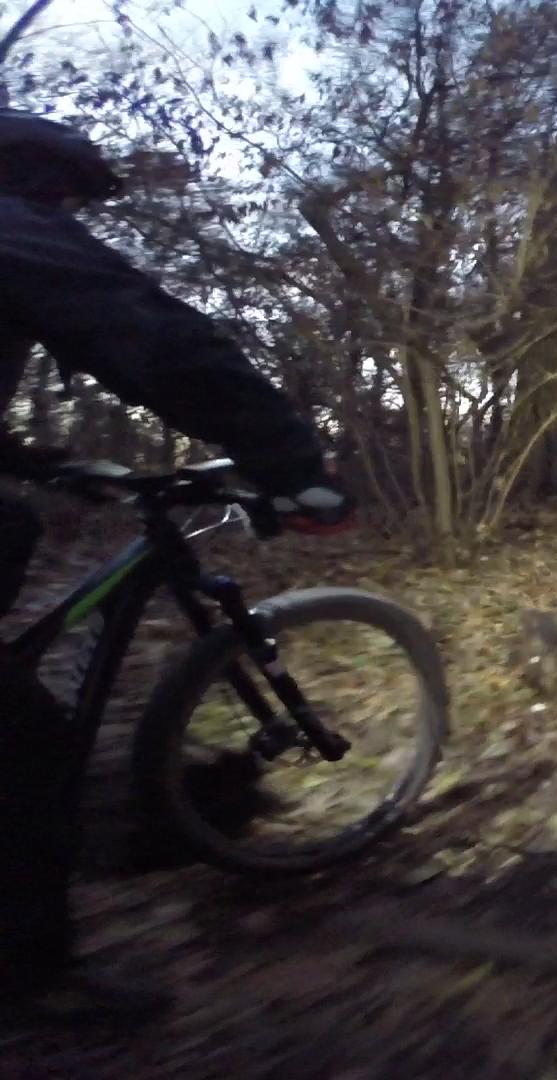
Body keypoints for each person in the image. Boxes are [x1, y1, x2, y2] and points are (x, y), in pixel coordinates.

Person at [0, 107, 351, 1026]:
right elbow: (153, 339)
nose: (72, 218)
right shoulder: (14, 228)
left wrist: (42, 465)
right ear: (41, 185)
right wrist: (291, 464)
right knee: (23, 751)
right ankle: (31, 981)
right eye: (68, 201)